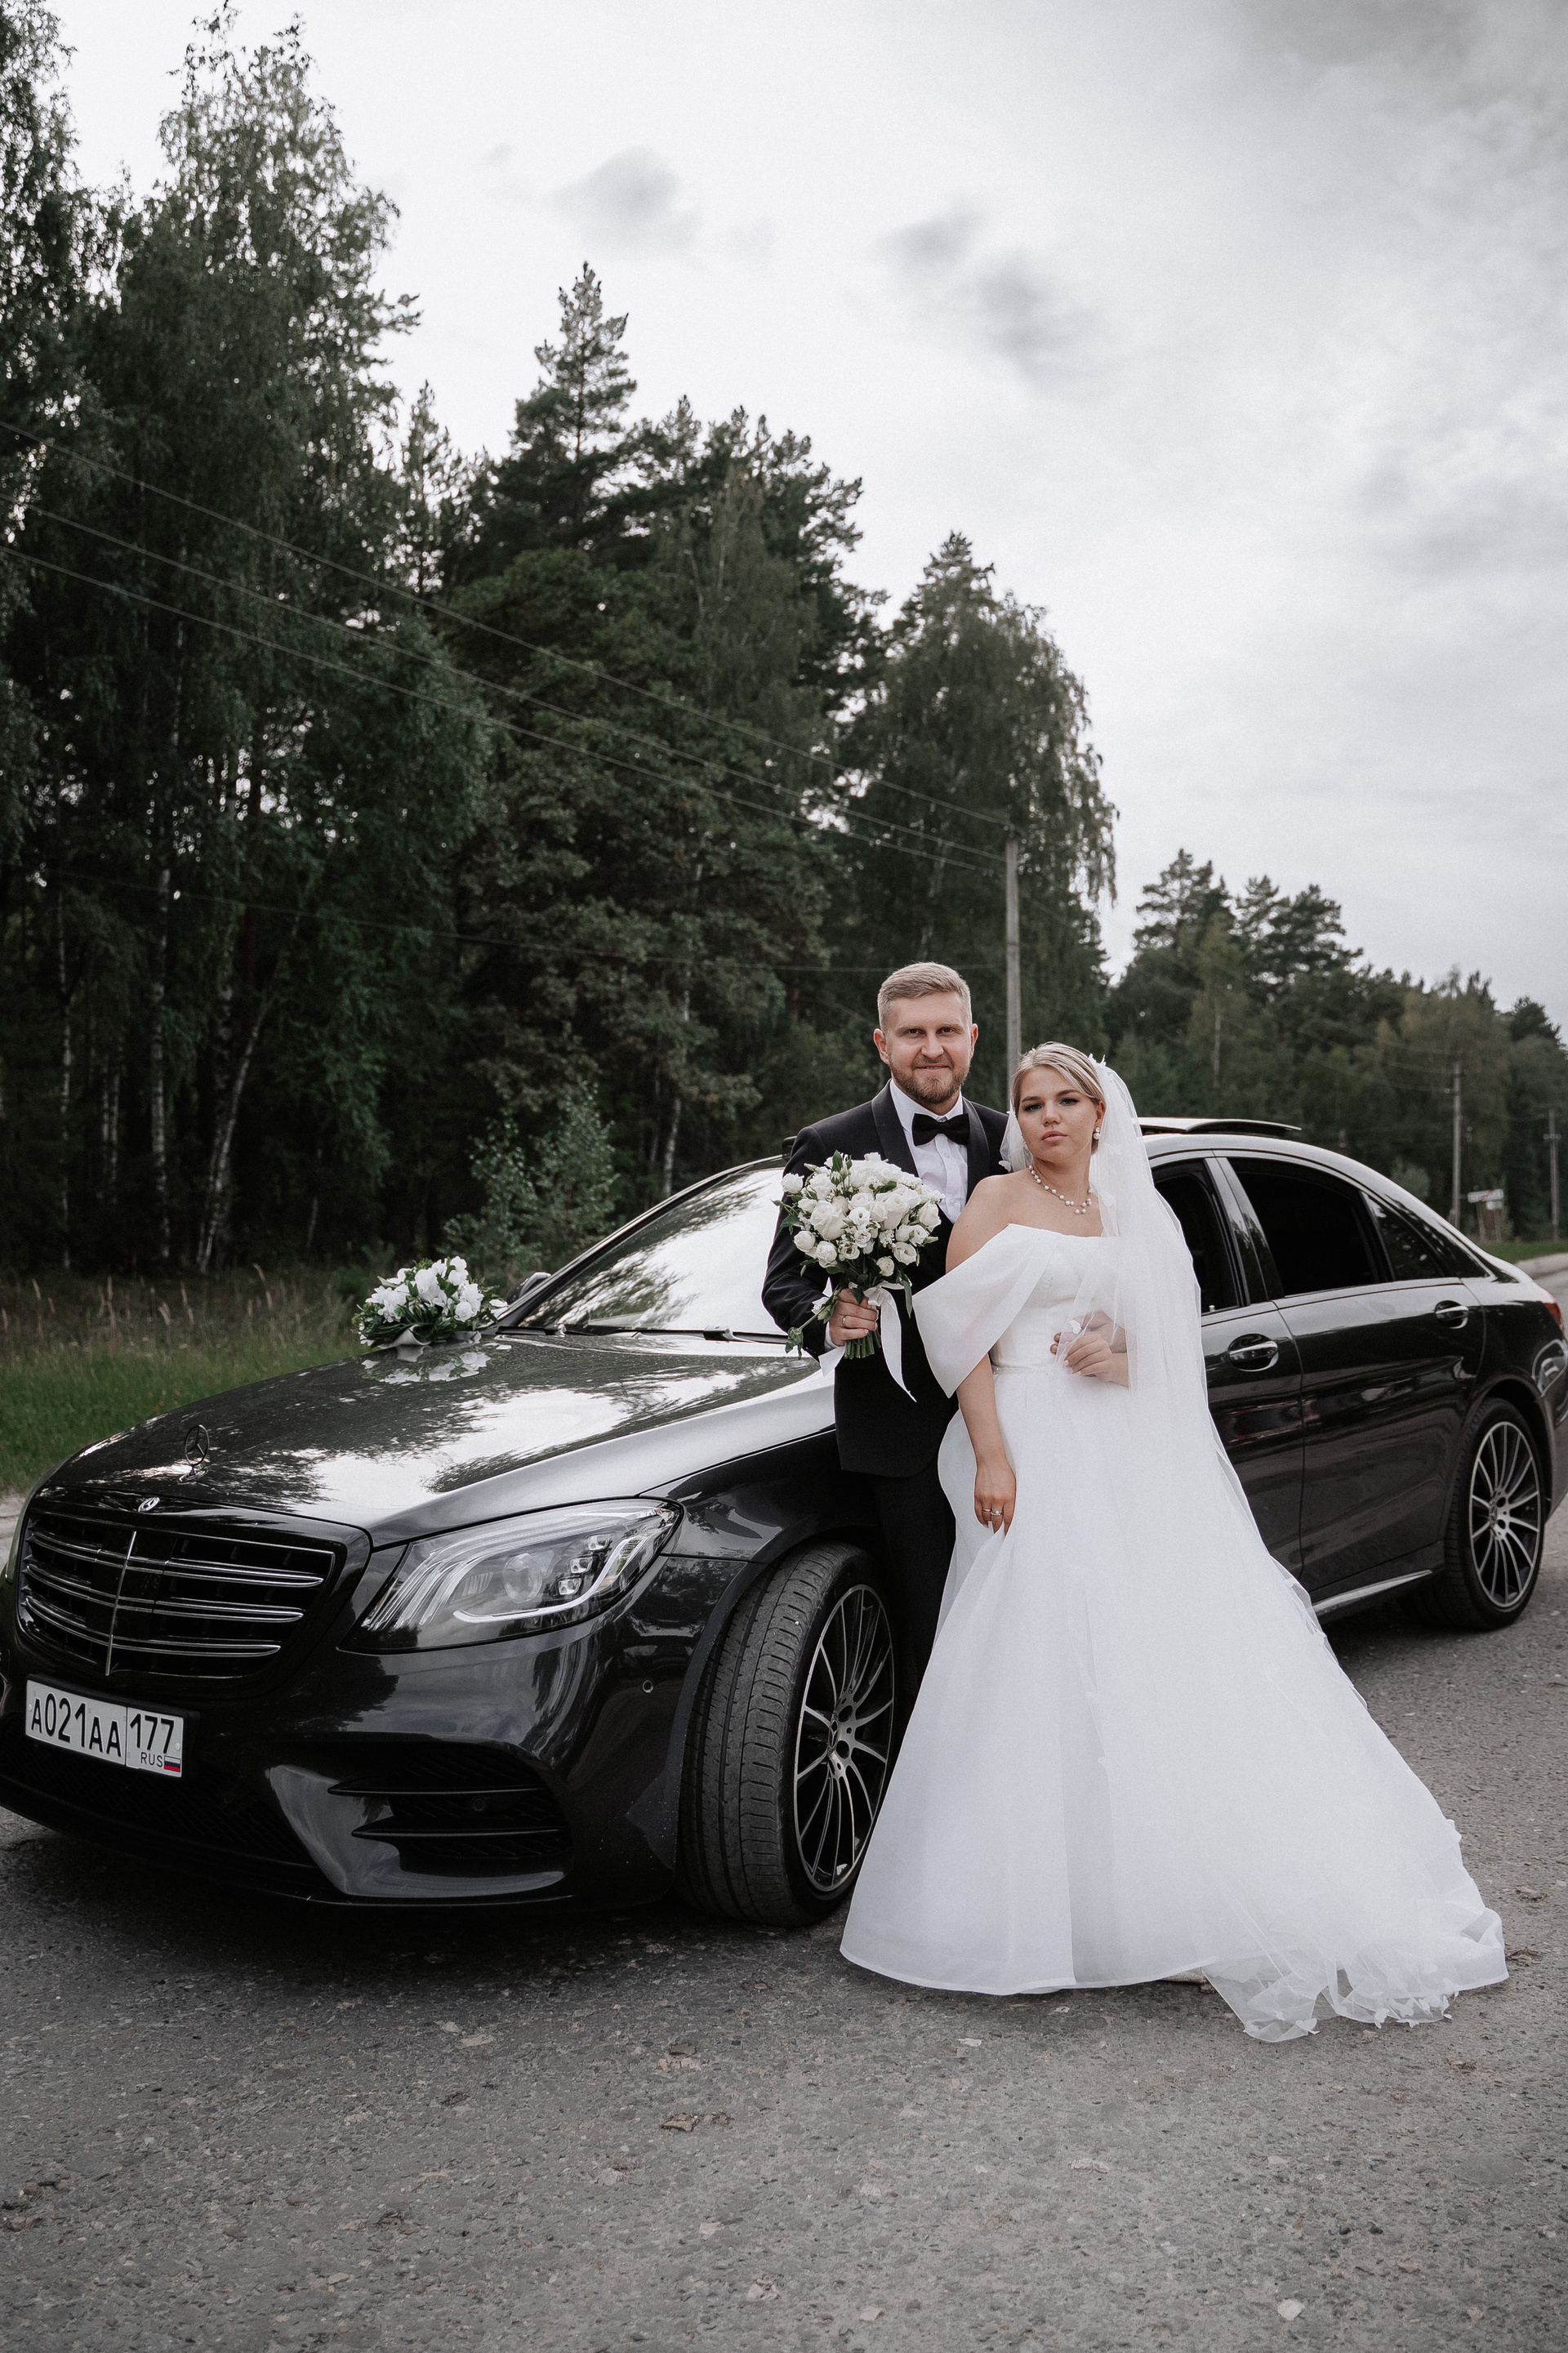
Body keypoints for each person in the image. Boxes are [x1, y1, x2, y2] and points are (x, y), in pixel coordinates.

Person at [840, 1043, 1508, 2042]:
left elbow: (1164, 1343)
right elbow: (960, 1338)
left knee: (1147, 1652)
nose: (1049, 1116)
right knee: (1031, 1655)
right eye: (1032, 1102)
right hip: (1024, 1438)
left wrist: (1121, 1354)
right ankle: (1029, 1902)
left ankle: (1164, 1894)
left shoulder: (1136, 1212)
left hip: (1121, 1448)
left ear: (1101, 1113)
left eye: (1067, 1099)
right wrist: (993, 1452)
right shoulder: (993, 1202)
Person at [762, 962, 1008, 1700]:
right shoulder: (829, 1143)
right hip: (901, 1432)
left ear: (972, 1038)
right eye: (912, 1033)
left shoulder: (1012, 1138)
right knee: (926, 1629)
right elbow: (783, 1282)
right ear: (881, 1043)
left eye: (946, 1031)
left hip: (1019, 1418)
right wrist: (828, 1319)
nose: (931, 1048)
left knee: (1017, 1614)